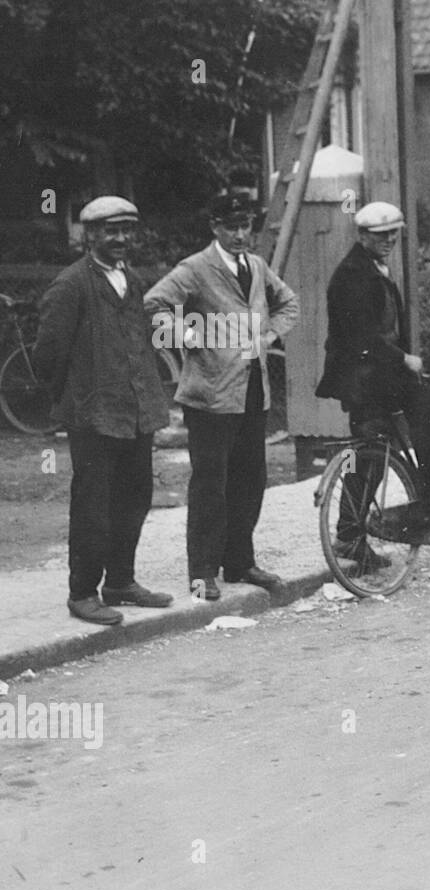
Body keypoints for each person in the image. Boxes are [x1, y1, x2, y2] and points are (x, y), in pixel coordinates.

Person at [144, 192, 300, 601]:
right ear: (215, 227)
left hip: (252, 392)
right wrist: (190, 336)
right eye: (231, 226)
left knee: (251, 480)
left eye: (246, 225)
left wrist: (269, 334)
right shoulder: (196, 268)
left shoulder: (258, 265)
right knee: (211, 484)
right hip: (210, 396)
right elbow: (154, 304)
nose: (240, 234)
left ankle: (240, 562)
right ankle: (202, 573)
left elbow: (289, 302)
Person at [31, 196, 173, 625]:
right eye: (111, 231)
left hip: (136, 412)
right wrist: (75, 397)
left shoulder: (131, 279)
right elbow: (47, 355)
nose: (120, 239)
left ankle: (120, 582)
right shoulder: (71, 284)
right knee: (93, 504)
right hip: (93, 416)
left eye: (127, 230)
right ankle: (83, 593)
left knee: (134, 498)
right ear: (90, 235)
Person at [315, 201, 430, 555]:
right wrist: (404, 358)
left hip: (375, 374)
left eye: (393, 233)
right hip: (365, 377)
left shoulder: (373, 267)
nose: (389, 239)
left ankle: (349, 536)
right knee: (425, 403)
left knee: (373, 455)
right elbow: (360, 335)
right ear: (362, 236)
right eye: (380, 235)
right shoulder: (353, 275)